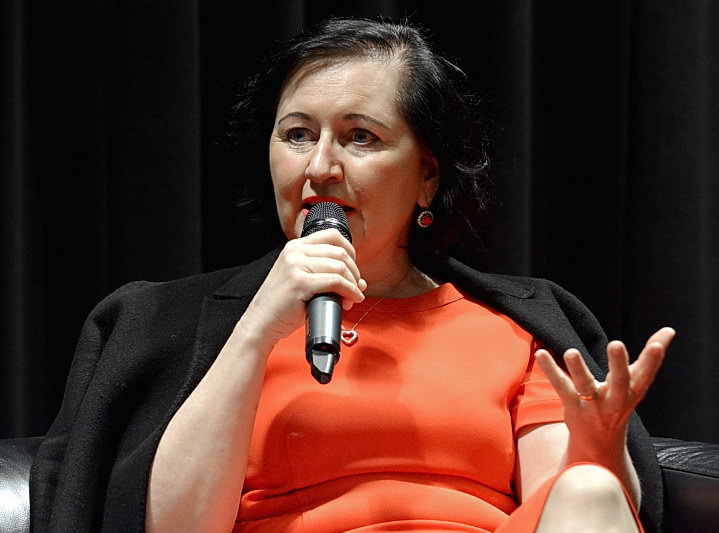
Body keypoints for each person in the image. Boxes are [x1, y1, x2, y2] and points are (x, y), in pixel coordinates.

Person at [31, 17, 674, 533]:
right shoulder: (168, 324)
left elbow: (568, 504)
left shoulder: (515, 326)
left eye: (360, 137)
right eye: (297, 134)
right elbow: (175, 527)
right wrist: (257, 328)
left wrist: (600, 451)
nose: (320, 167)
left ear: (428, 176)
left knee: (588, 488)